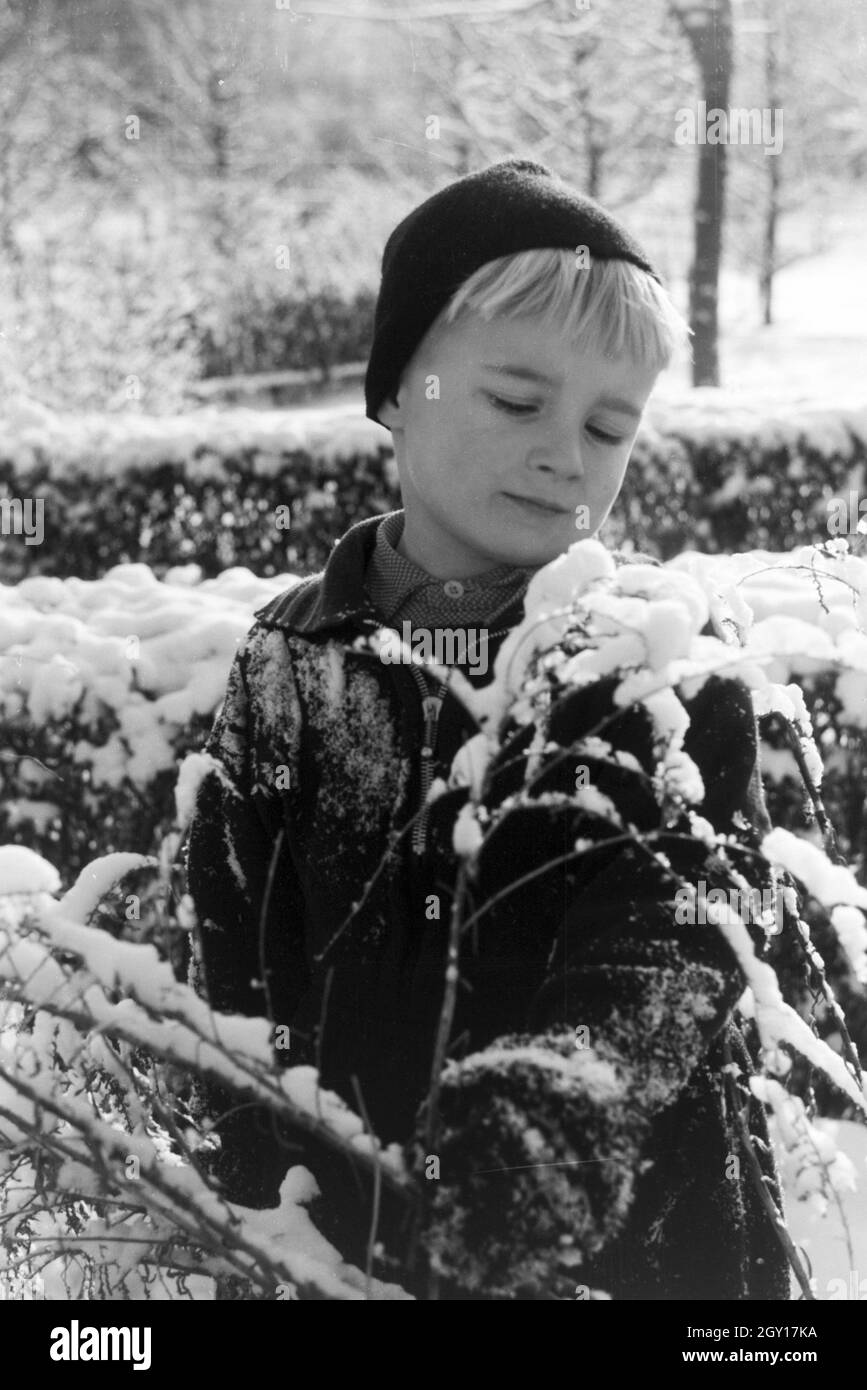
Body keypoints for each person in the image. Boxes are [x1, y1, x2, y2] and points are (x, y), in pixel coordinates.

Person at [184, 157, 790, 1300]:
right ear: (398, 392)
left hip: (637, 1258)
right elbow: (234, 949)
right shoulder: (289, 659)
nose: (568, 453)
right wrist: (262, 1198)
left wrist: (548, 1130)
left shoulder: (656, 666)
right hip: (348, 1249)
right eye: (520, 401)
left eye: (610, 427)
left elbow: (681, 929)